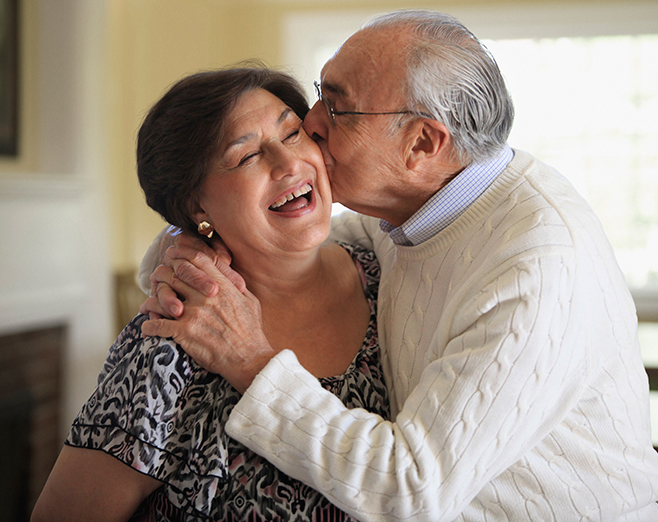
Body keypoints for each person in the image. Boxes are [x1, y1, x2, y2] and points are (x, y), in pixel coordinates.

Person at [140, 9, 658, 521]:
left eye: (339, 109)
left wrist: (249, 360)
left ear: (422, 142)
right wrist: (183, 242)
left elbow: (413, 490)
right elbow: (275, 241)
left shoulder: (534, 266)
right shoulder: (416, 210)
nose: (310, 123)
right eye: (321, 93)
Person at [31, 67, 389, 522]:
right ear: (198, 207)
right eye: (246, 157)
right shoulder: (172, 337)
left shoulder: (389, 278)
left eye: (293, 132)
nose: (289, 163)